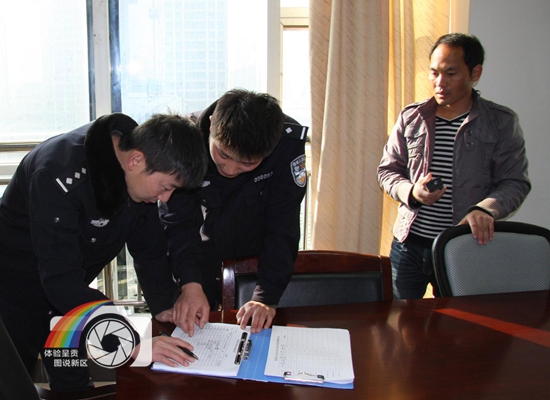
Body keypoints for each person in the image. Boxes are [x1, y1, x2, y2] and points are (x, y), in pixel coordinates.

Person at [0, 112, 207, 391]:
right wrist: (133, 342)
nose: (165, 198)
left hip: (66, 301)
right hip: (13, 293)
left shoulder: (140, 170)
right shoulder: (57, 174)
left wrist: (163, 306)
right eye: (165, 187)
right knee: (13, 386)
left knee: (74, 386)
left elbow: (149, 249)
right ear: (136, 160)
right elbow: (61, 280)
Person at [377, 33, 530, 300]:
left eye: (451, 73)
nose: (440, 83)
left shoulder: (500, 122)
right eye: (434, 73)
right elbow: (387, 171)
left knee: (459, 321)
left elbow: (515, 182)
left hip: (465, 246)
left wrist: (484, 209)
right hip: (409, 245)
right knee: (400, 319)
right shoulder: (412, 117)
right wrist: (412, 192)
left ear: (475, 73)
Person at [159, 89, 308, 335]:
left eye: (247, 163)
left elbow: (283, 227)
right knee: (190, 326)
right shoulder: (188, 141)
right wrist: (189, 283)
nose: (230, 169)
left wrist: (265, 297)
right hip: (198, 250)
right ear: (211, 126)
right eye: (223, 154)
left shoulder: (286, 145)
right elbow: (178, 224)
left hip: (255, 252)